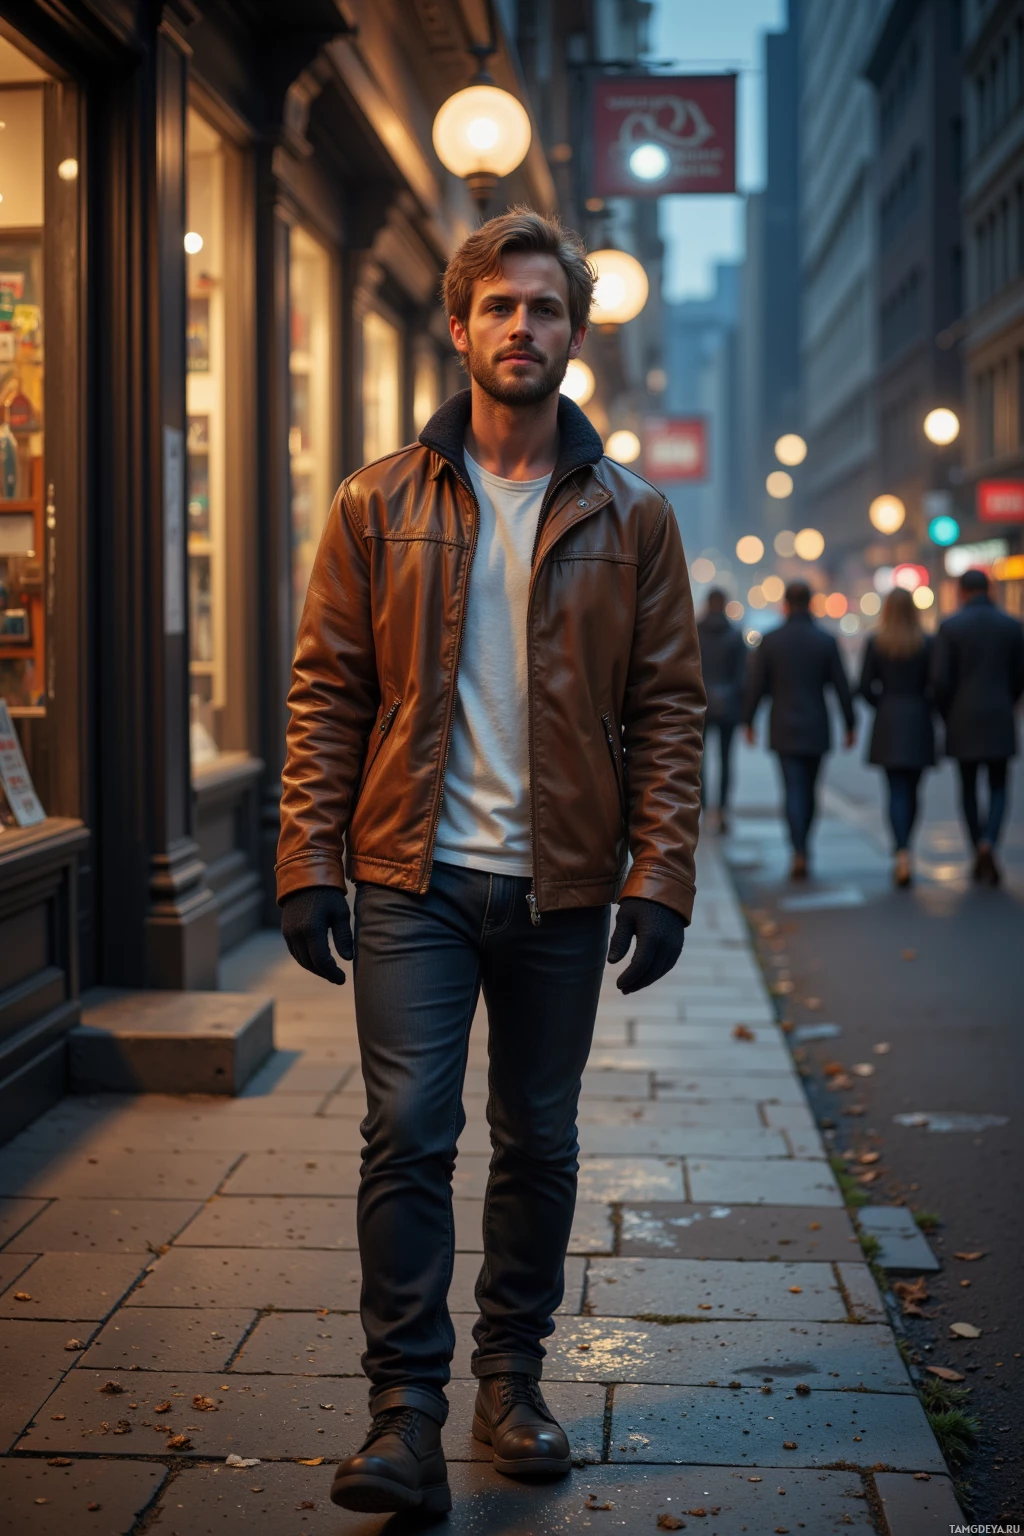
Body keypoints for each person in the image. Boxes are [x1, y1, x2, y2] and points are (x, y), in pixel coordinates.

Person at [275, 209, 705, 1516]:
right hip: (413, 875)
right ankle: (402, 1413)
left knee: (541, 1137)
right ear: (458, 326)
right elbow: (328, 689)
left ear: (575, 335)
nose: (525, 327)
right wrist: (306, 853)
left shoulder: (635, 518)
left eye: (548, 308)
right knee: (406, 1129)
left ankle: (510, 1384)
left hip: (563, 884)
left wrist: (663, 874)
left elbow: (670, 709)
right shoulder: (376, 500)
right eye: (501, 307)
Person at [742, 579, 855, 879]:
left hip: (783, 725)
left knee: (792, 788)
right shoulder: (826, 640)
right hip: (817, 725)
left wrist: (748, 720)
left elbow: (757, 686)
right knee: (810, 789)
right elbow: (841, 686)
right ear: (811, 603)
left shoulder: (771, 640)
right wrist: (850, 723)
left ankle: (797, 849)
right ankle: (805, 845)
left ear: (786, 605)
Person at [931, 567, 1024, 885]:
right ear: (990, 590)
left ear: (961, 591)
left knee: (968, 787)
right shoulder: (1012, 626)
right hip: (999, 715)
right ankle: (989, 842)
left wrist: (946, 714)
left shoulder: (950, 627)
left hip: (962, 718)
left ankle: (977, 846)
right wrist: (1009, 702)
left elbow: (940, 681)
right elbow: (1019, 676)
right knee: (999, 786)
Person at [858, 586, 936, 886]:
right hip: (918, 720)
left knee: (895, 791)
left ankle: (901, 851)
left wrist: (884, 704)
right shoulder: (926, 642)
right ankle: (907, 848)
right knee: (914, 791)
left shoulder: (876, 643)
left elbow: (864, 686)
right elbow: (938, 682)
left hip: (889, 721)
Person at [696, 587, 747, 833]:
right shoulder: (735, 635)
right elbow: (742, 677)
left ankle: (703, 808)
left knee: (699, 761)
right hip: (728, 707)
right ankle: (723, 809)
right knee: (726, 760)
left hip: (700, 706)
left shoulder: (694, 632)